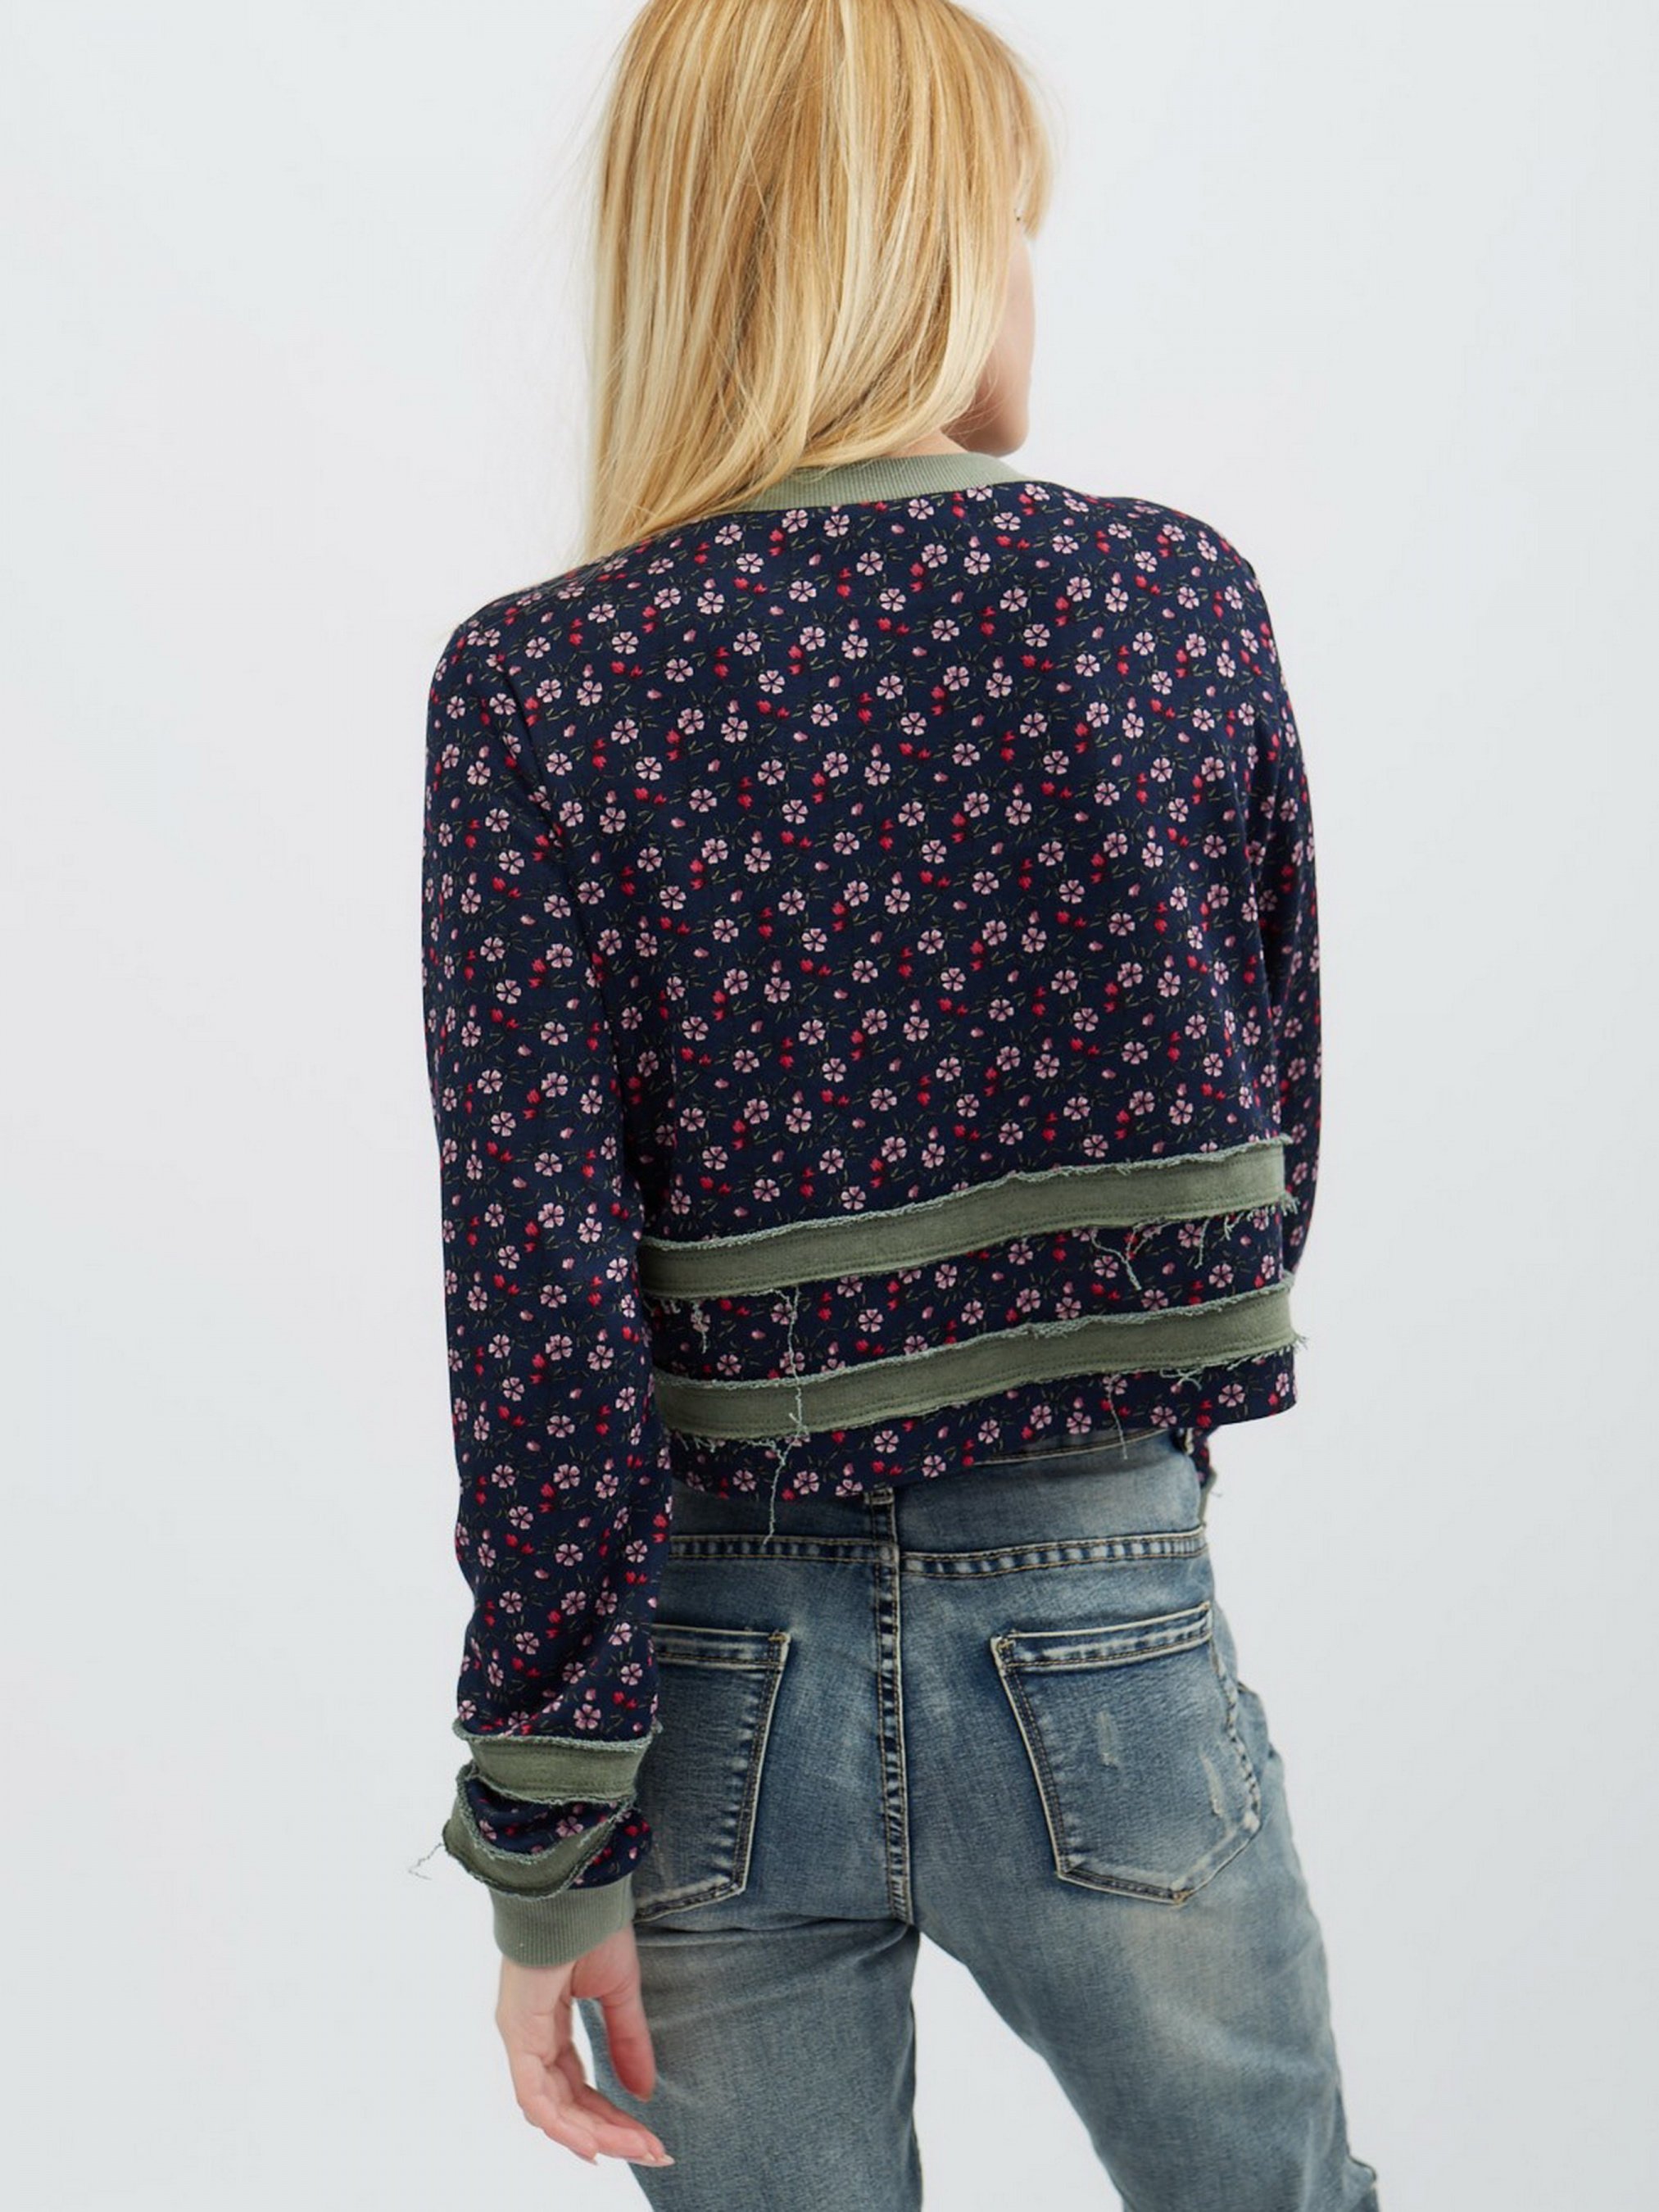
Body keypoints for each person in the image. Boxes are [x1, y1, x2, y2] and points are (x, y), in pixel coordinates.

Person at [417, 2, 1381, 2204]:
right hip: (1101, 1606)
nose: (1030, 277)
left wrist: (545, 1846)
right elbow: (1268, 1137)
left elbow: (538, 1310)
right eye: (1011, 226)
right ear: (919, 249)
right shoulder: (1170, 602)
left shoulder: (541, 684)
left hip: (707, 1679)